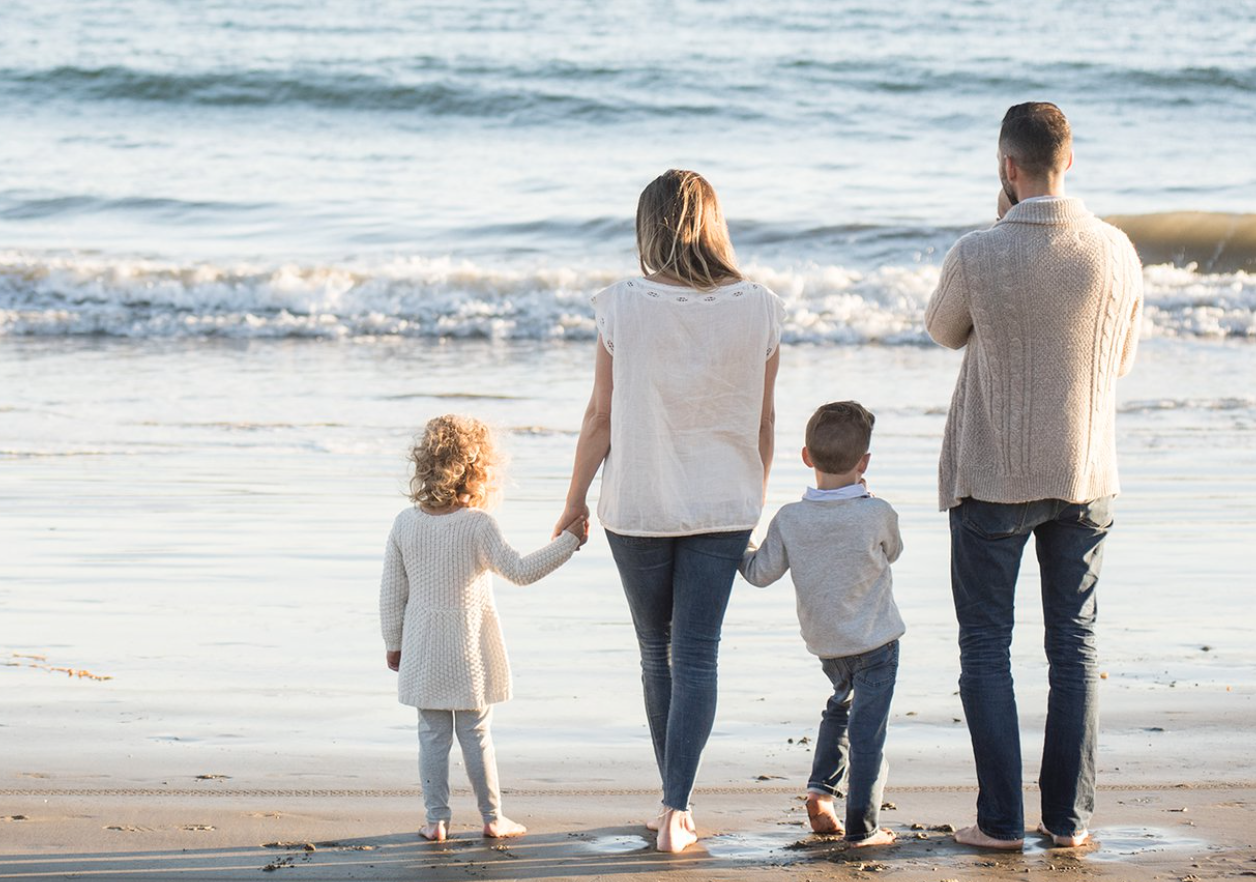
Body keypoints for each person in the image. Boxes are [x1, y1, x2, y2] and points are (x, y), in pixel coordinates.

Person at [925, 102, 1144, 851]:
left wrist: (998, 226)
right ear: (1069, 159)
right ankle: (1068, 822)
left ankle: (998, 823)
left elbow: (940, 328)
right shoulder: (1116, 250)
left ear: (1007, 168)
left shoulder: (978, 251)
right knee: (1074, 645)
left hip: (992, 473)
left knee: (986, 644)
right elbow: (1119, 360)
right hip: (1085, 472)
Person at [555, 168, 784, 853]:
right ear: (714, 224)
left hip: (639, 501)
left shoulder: (621, 304)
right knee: (698, 652)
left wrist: (572, 502)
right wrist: (755, 494)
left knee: (659, 652)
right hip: (725, 501)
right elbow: (763, 420)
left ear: (647, 226)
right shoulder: (761, 305)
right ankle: (676, 805)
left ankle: (670, 804)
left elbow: (601, 417)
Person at [380, 414, 588, 843]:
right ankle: (493, 818)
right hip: (466, 650)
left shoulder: (405, 523)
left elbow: (390, 592)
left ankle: (436, 821)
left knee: (432, 736)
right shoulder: (477, 524)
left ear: (424, 463)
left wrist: (393, 643)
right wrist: (569, 541)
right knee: (475, 733)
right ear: (480, 470)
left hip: (421, 647)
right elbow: (521, 571)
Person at [740, 400, 904, 848]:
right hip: (877, 643)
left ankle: (820, 791)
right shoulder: (877, 512)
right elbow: (894, 551)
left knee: (841, 705)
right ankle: (863, 829)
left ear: (806, 457)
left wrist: (743, 536)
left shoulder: (791, 518)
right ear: (864, 462)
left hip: (827, 645)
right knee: (868, 732)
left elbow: (758, 574)